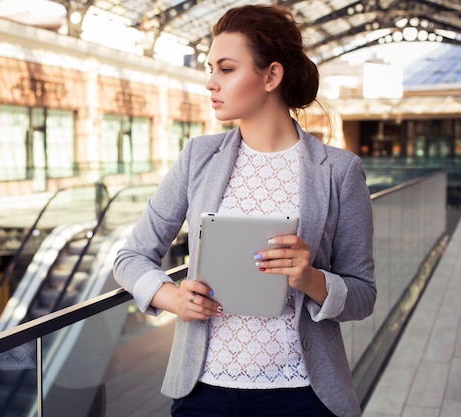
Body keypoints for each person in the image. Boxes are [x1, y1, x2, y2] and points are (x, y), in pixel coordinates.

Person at [113, 4, 375, 417]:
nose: (210, 83)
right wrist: (172, 298)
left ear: (271, 76)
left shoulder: (339, 172)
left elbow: (363, 294)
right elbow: (131, 256)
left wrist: (310, 278)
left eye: (226, 69)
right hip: (203, 394)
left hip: (302, 395)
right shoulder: (198, 158)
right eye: (210, 68)